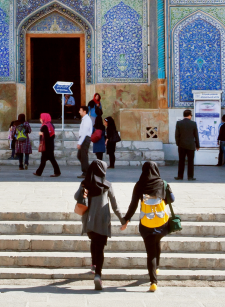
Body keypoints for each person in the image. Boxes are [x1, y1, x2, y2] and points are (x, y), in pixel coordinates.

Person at [121, 161, 175, 292]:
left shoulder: (140, 185)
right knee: (157, 243)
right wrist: (161, 202)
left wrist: (126, 219)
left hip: (146, 223)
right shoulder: (163, 183)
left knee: (151, 252)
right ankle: (156, 268)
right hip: (161, 222)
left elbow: (133, 204)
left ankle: (153, 282)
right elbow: (172, 199)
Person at [74, 159, 124, 291]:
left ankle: (93, 265)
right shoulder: (107, 185)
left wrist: (83, 188)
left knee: (93, 240)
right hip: (102, 220)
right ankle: (98, 275)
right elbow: (114, 205)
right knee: (100, 247)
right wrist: (122, 219)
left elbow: (76, 196)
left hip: (88, 220)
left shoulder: (85, 183)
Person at [175, 109, 199, 181]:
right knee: (190, 161)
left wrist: (178, 143)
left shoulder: (179, 123)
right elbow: (196, 135)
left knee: (181, 161)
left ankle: (180, 176)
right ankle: (190, 176)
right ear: (189, 115)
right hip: (191, 145)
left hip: (181, 145)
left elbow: (177, 135)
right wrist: (197, 145)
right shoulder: (193, 124)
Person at [34, 113, 60, 177]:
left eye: (41, 118)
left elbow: (46, 136)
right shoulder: (51, 125)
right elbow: (52, 136)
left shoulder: (44, 126)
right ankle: (39, 172)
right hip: (50, 145)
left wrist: (41, 134)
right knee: (47, 159)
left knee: (47, 159)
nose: (40, 119)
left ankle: (57, 172)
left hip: (46, 145)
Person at [77, 105, 92, 178]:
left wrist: (80, 142)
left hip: (85, 139)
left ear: (84, 111)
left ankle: (86, 172)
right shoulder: (84, 119)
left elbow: (85, 132)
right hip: (84, 139)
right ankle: (88, 170)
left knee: (83, 156)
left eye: (80, 110)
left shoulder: (87, 120)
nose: (79, 112)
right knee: (80, 156)